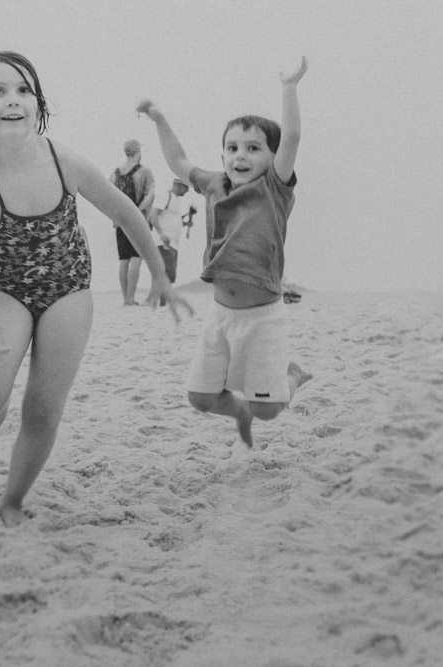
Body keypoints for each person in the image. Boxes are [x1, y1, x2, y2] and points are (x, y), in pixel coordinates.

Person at [0, 51, 192, 526]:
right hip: (8, 291)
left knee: (43, 410)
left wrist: (160, 276)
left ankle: (11, 498)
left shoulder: (63, 160)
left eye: (24, 90)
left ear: (37, 105)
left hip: (69, 290)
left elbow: (126, 214)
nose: (13, 99)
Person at [137, 57, 313, 449]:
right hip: (220, 314)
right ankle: (242, 413)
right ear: (222, 156)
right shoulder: (215, 185)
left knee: (270, 407)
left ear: (271, 157)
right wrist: (159, 119)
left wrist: (289, 87)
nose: (240, 155)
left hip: (263, 317)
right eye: (232, 148)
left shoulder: (274, 188)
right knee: (200, 398)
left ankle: (293, 376)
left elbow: (293, 137)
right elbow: (179, 161)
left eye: (253, 148)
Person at [110, 139, 155, 306]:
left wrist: (115, 218)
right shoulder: (145, 172)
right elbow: (150, 194)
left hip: (121, 222)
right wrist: (138, 211)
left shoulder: (115, 173)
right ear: (138, 153)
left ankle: (125, 298)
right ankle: (131, 297)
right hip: (139, 221)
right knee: (136, 258)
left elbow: (109, 198)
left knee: (123, 260)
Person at [146, 177, 194, 305]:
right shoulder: (166, 196)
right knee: (166, 272)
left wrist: (186, 223)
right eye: (186, 187)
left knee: (168, 273)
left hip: (173, 243)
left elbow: (171, 221)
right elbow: (152, 214)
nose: (187, 191)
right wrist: (161, 234)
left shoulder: (175, 201)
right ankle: (157, 301)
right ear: (178, 185)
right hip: (164, 242)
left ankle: (159, 301)